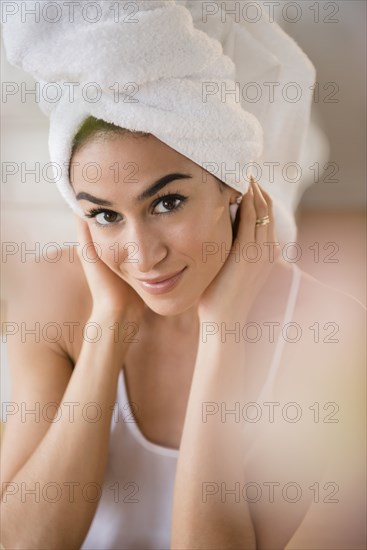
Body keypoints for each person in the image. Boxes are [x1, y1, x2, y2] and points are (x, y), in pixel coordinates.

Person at [0, 115, 365, 550]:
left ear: (233, 181)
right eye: (105, 214)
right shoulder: (53, 294)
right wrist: (109, 323)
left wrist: (222, 330)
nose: (143, 256)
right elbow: (21, 542)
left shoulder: (323, 329)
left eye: (167, 203)